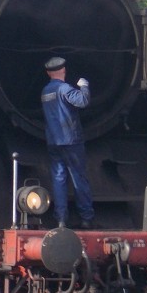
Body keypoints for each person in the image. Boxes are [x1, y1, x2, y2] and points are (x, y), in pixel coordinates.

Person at [40, 56, 94, 229]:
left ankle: (61, 219)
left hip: (53, 141)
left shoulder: (45, 92)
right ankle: (86, 217)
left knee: (59, 179)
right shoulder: (64, 89)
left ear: (48, 73)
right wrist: (84, 86)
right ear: (64, 70)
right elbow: (83, 101)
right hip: (71, 141)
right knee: (79, 178)